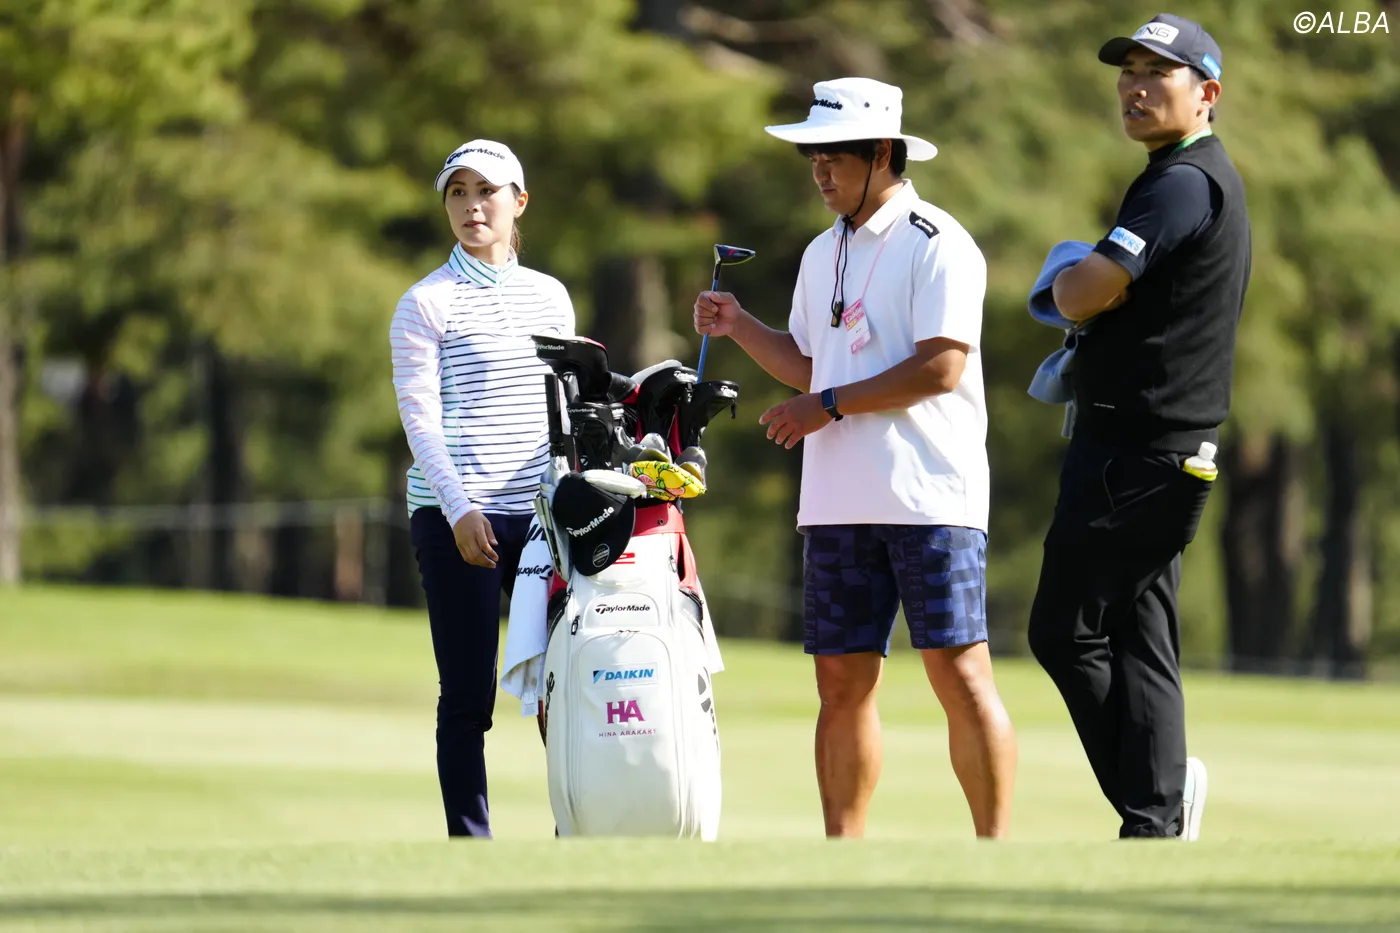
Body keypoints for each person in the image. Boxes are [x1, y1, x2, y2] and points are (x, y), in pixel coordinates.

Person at [693, 77, 1018, 839]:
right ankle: (843, 852)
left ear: (880, 154)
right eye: (811, 157)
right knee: (839, 683)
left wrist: (829, 405)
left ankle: (996, 850)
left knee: (959, 673)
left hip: (930, 496)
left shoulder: (938, 241)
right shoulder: (821, 251)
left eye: (832, 156)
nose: (818, 171)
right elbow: (813, 364)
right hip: (837, 497)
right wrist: (740, 326)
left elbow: (941, 367)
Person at [1025, 13, 1250, 841]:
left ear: (1207, 92)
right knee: (1141, 635)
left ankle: (1155, 805)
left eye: (1159, 73)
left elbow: (1084, 293)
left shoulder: (1182, 182)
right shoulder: (1180, 176)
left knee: (1063, 631)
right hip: (1157, 448)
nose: (1136, 87)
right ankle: (1155, 810)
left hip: (1137, 452)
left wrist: (1072, 277)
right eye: (1128, 72)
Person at [389, 139, 575, 838]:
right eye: (458, 192)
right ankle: (471, 848)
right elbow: (420, 420)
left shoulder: (550, 297)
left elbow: (561, 413)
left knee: (565, 685)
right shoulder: (424, 302)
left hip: (540, 518)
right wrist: (460, 509)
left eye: (487, 191)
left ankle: (575, 833)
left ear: (518, 201)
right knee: (468, 697)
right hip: (455, 517)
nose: (472, 206)